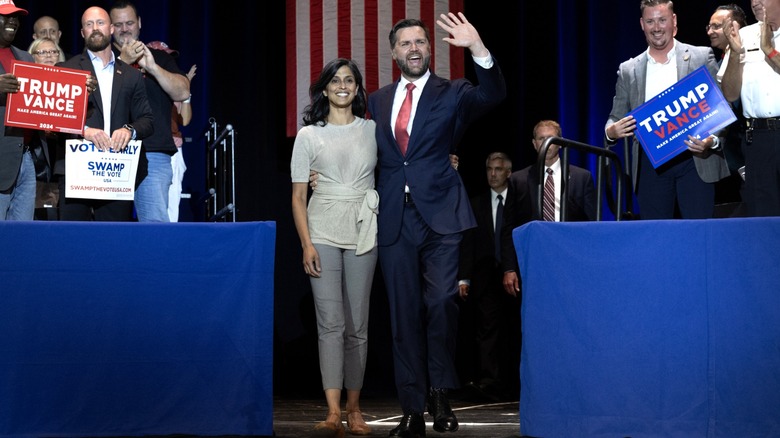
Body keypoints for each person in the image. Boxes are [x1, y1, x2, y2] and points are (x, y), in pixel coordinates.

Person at [368, 13, 506, 437]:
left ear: (430, 49)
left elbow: (494, 94)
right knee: (403, 313)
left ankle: (440, 394)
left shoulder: (454, 92)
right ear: (393, 52)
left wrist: (478, 47)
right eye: (405, 43)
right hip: (395, 218)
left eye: (420, 42)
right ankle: (412, 408)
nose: (413, 48)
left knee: (442, 302)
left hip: (442, 216)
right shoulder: (377, 100)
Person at [291, 58, 377, 437]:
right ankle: (332, 412)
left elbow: (405, 160)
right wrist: (306, 244)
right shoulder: (308, 135)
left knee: (357, 326)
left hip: (364, 232)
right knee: (330, 325)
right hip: (322, 232)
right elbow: (297, 197)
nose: (343, 86)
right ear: (325, 89)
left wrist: (445, 162)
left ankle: (354, 410)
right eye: (336, 81)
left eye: (349, 80)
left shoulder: (372, 130)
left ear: (357, 88)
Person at [604, 0, 729, 220]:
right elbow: (615, 116)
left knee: (699, 232)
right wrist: (611, 132)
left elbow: (720, 106)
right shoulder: (629, 69)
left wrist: (712, 141)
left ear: (674, 21)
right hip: (651, 164)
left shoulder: (701, 56)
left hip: (695, 159)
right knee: (656, 234)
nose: (656, 27)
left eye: (662, 20)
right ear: (642, 24)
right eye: (650, 21)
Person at [57, 6, 153, 221]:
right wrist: (84, 130)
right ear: (82, 33)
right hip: (76, 169)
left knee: (113, 238)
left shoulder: (131, 75)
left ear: (111, 28)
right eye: (88, 24)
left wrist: (129, 130)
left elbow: (147, 120)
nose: (95, 28)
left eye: (100, 23)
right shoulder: (66, 69)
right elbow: (54, 120)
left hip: (115, 171)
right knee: (73, 237)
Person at [109, 1, 190, 222]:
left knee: (155, 226)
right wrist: (123, 63)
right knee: (110, 229)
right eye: (118, 24)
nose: (124, 29)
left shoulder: (160, 57)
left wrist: (152, 67)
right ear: (110, 28)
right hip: (110, 153)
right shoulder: (103, 60)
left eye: (129, 23)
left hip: (153, 152)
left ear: (139, 23)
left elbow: (183, 91)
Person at [501, 120, 597, 296]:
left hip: (572, 256)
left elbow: (592, 223)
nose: (546, 143)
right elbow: (508, 226)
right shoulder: (518, 179)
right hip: (533, 258)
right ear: (534, 143)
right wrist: (509, 268)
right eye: (541, 138)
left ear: (561, 142)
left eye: (551, 138)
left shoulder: (581, 177)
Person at [457, 152, 519, 402]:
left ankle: (515, 382)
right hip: (485, 276)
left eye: (498, 169)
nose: (492, 174)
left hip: (515, 274)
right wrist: (464, 277)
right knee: (487, 330)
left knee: (515, 328)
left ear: (509, 173)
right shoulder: (476, 203)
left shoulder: (519, 200)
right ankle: (489, 382)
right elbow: (468, 243)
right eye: (489, 169)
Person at [721, 0, 780, 217]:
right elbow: (730, 94)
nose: (755, 2)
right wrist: (735, 54)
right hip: (758, 138)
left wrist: (769, 50)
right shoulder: (743, 35)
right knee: (762, 214)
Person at [0, 0, 44, 221]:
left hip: (25, 157)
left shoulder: (25, 57)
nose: (12, 22)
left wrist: (80, 91)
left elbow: (42, 99)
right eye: (6, 16)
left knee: (22, 235)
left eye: (15, 17)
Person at [144, 40, 194, 222]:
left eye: (169, 57)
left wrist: (186, 89)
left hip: (171, 147)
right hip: (145, 145)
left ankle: (168, 235)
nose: (167, 60)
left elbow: (185, 120)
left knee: (171, 201)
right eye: (162, 55)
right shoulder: (141, 81)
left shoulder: (174, 85)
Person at [707, 4, 749, 211]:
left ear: (734, 27)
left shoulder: (750, 57)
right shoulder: (718, 62)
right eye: (709, 26)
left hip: (752, 149)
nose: (710, 31)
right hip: (733, 159)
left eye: (716, 26)